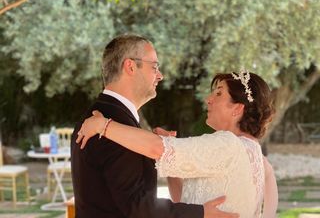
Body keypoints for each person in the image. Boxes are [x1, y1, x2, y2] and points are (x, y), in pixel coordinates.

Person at [71, 34, 239, 218]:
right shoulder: (111, 122)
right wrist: (201, 213)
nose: (160, 75)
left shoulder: (104, 117)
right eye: (154, 66)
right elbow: (138, 207)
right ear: (131, 66)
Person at [76, 71, 279, 218]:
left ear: (237, 109)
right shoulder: (251, 151)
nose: (208, 99)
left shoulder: (228, 145)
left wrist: (103, 126)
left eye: (218, 94)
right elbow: (184, 199)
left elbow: (157, 148)